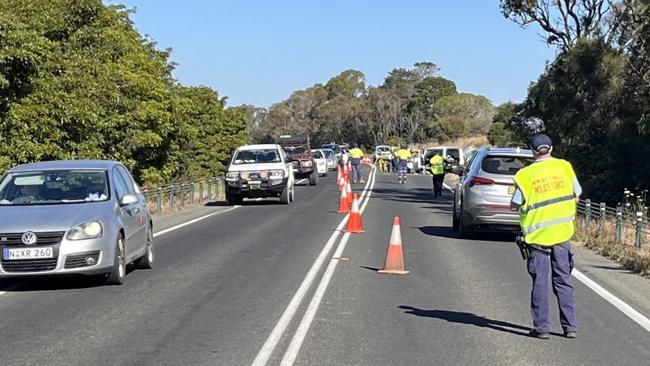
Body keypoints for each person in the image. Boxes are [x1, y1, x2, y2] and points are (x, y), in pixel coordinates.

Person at [510, 133, 581, 340]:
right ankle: (570, 327)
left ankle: (541, 329)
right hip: (562, 234)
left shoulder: (525, 175)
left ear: (532, 152)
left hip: (537, 238)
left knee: (540, 282)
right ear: (551, 148)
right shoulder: (564, 167)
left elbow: (516, 203)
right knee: (564, 281)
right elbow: (577, 194)